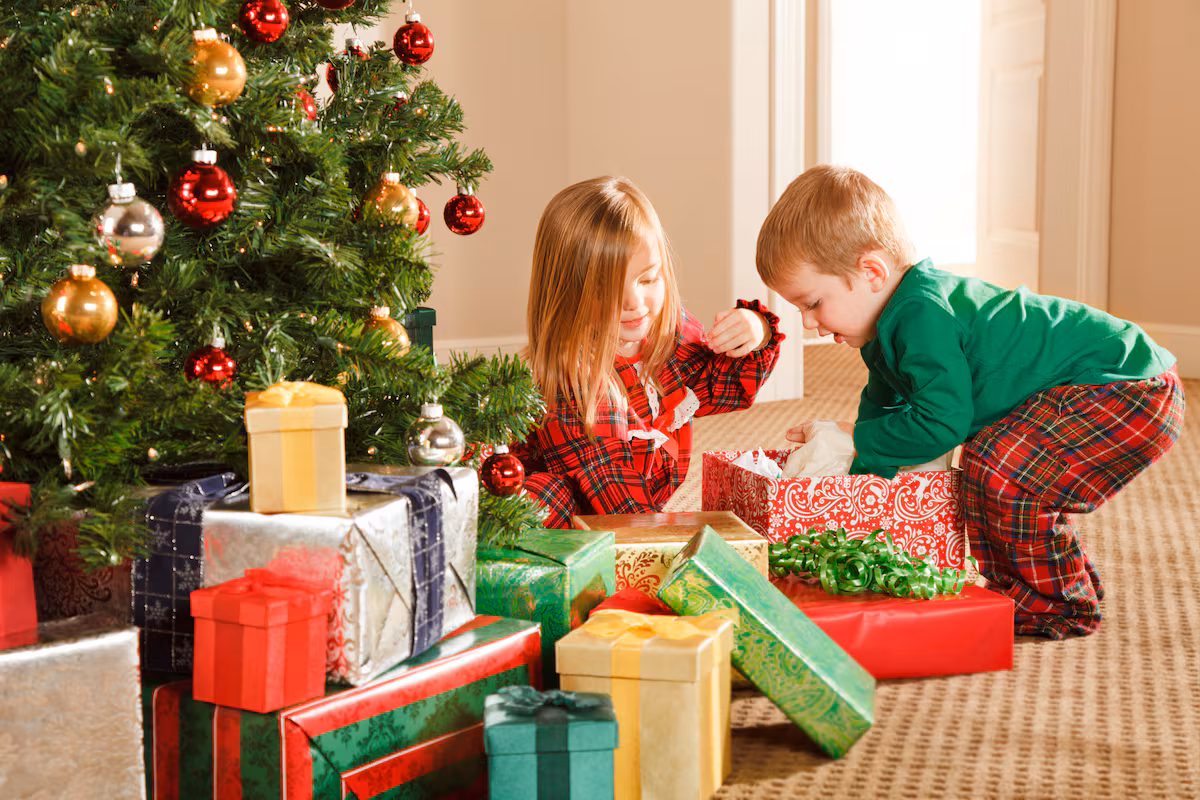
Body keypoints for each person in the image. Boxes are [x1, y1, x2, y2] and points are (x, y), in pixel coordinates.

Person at [755, 164, 1185, 639]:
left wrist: (855, 439)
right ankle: (1043, 584)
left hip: (1125, 388)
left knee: (1000, 468)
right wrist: (852, 483)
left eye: (813, 303)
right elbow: (884, 414)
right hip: (1106, 386)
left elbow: (941, 423)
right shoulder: (884, 332)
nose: (809, 324)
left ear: (872, 272)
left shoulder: (921, 315)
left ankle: (1056, 604)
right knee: (996, 466)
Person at [518, 175, 784, 528]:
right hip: (582, 501)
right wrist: (660, 542)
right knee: (541, 502)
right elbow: (614, 492)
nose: (634, 302)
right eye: (607, 289)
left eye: (648, 280)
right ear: (568, 292)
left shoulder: (664, 335)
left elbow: (728, 387)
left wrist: (756, 330)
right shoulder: (574, 379)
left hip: (633, 503)